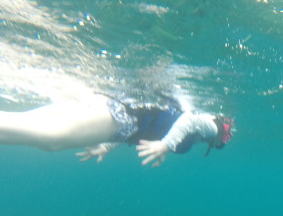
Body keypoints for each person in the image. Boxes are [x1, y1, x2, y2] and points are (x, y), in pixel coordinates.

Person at [0, 93, 234, 167]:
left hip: (118, 116)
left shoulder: (198, 136)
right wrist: (167, 145)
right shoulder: (210, 126)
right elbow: (189, 121)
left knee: (36, 126)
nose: (220, 142)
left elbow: (149, 126)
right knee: (51, 138)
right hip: (121, 117)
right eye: (223, 140)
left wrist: (106, 146)